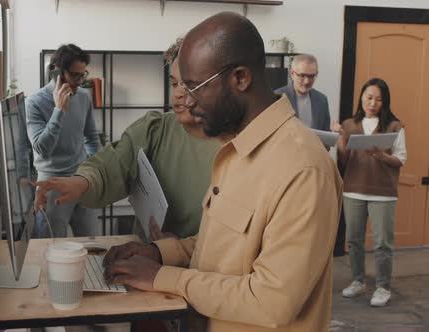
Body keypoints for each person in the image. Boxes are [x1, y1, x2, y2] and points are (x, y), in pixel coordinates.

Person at [102, 12, 343, 332]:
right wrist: (159, 252)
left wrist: (163, 278)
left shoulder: (304, 170)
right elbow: (221, 245)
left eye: (194, 87)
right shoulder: (234, 149)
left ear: (240, 78)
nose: (185, 101)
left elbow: (272, 300)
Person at [34, 39, 221, 241]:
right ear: (56, 71)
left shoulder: (237, 145)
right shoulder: (154, 129)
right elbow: (112, 163)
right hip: (144, 257)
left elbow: (91, 138)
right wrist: (82, 181)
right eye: (175, 83)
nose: (177, 94)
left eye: (190, 84)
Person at [332, 78, 406, 307]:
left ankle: (383, 287)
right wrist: (339, 137)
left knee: (383, 243)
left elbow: (400, 159)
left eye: (378, 99)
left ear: (385, 102)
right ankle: (358, 281)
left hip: (383, 192)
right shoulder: (349, 124)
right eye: (369, 97)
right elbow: (344, 160)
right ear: (362, 97)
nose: (372, 103)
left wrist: (381, 156)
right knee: (353, 241)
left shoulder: (395, 126)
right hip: (353, 189)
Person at [26, 43, 101, 238]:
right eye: (74, 75)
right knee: (50, 249)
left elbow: (91, 138)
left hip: (82, 181)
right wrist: (59, 110)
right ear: (56, 72)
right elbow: (42, 149)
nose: (79, 81)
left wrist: (99, 171)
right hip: (51, 186)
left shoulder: (84, 97)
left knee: (93, 244)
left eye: (82, 75)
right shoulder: (34, 103)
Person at [275, 54, 330, 131]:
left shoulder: (322, 100)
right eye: (302, 75)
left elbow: (326, 132)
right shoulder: (278, 97)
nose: (307, 81)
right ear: (292, 74)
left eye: (311, 76)